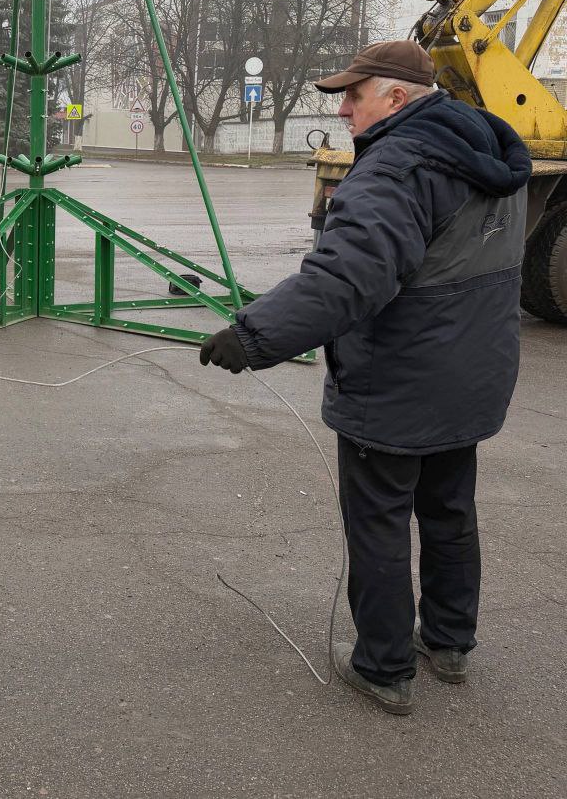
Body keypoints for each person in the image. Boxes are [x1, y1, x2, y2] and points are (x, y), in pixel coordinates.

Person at [199, 40, 530, 716]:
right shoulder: (489, 153)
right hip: (470, 378)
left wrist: (252, 336)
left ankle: (383, 667)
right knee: (448, 513)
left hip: (399, 382)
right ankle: (450, 643)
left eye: (355, 95)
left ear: (397, 99)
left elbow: (346, 278)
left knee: (380, 520)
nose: (344, 108)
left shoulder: (395, 169)